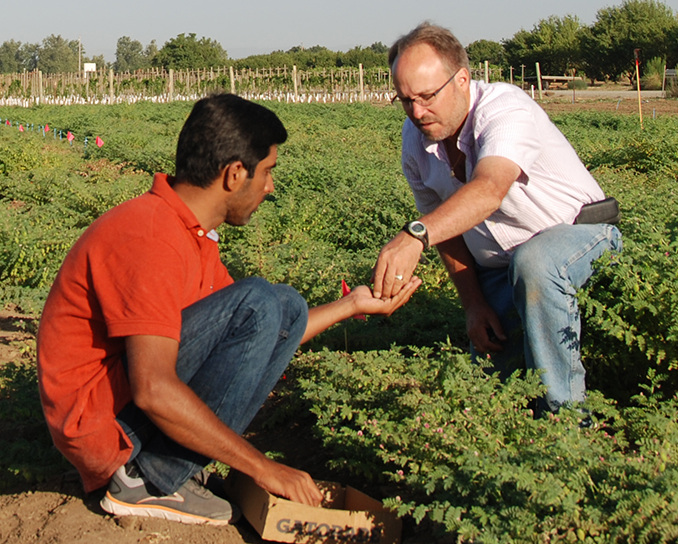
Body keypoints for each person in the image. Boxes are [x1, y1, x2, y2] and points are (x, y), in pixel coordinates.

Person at [37, 93, 420, 525]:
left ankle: (168, 467)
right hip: (104, 428)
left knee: (285, 305)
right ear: (235, 174)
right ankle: (146, 478)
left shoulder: (185, 229)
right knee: (258, 302)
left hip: (123, 410)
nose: (270, 187)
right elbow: (152, 388)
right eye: (268, 171)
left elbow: (266, 331)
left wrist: (352, 305)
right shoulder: (149, 234)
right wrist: (261, 466)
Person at [372, 23, 621, 413]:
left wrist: (415, 235)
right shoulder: (414, 138)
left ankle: (567, 421)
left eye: (426, 96)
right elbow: (446, 231)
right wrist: (473, 303)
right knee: (491, 391)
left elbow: (489, 189)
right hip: (500, 266)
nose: (417, 112)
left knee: (535, 262)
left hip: (579, 236)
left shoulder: (505, 108)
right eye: (404, 100)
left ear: (462, 80)